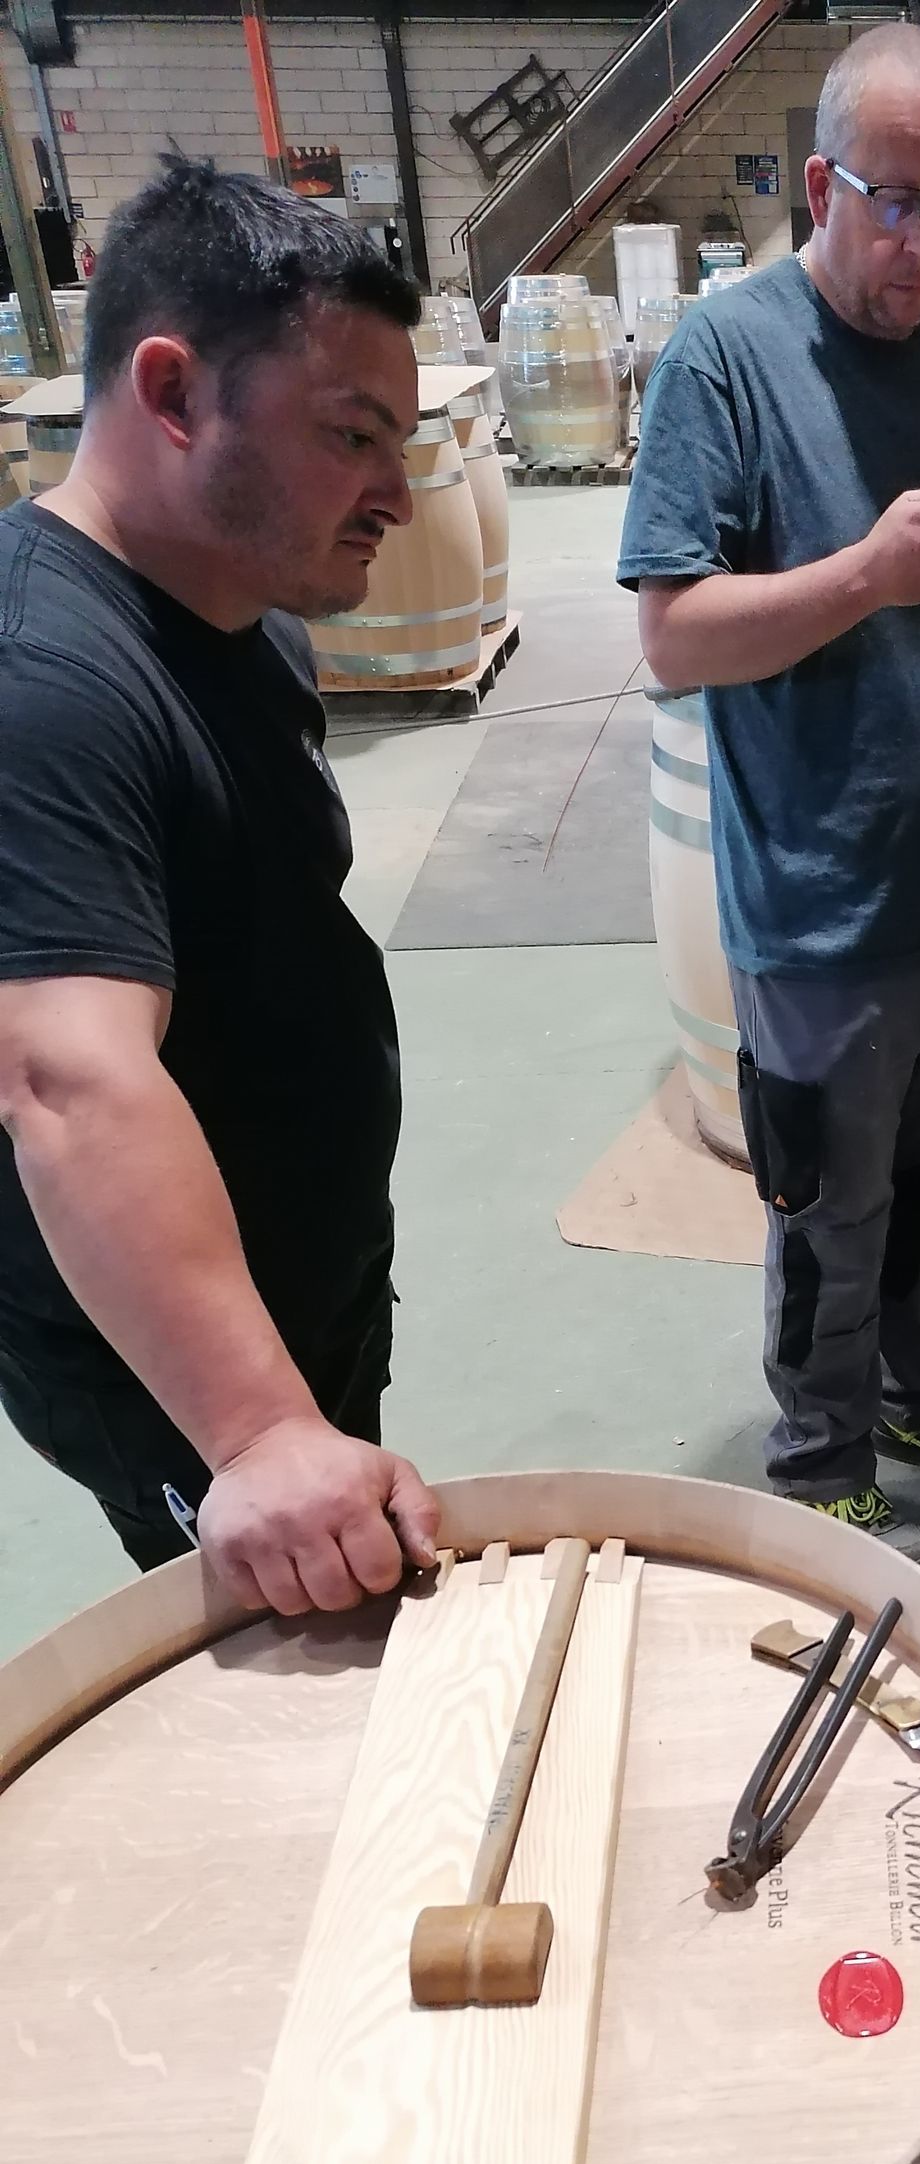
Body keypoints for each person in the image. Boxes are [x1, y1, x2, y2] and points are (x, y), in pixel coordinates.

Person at [621, 24, 920, 1566]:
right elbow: (674, 636)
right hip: (822, 917)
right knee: (830, 1218)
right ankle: (821, 1466)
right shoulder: (725, 360)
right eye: (898, 203)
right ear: (822, 187)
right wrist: (868, 574)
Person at [0, 156, 440, 1615]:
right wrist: (256, 1431)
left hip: (298, 1290)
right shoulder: (42, 684)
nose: (398, 494)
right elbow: (67, 1080)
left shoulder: (243, 614)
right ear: (174, 392)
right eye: (353, 436)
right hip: (174, 1378)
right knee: (294, 1659)